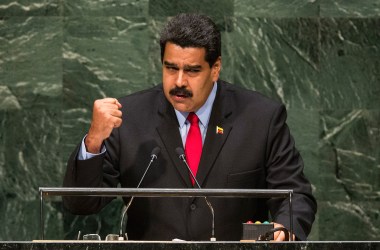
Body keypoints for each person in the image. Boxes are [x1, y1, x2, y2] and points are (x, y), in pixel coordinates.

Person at [63, 13, 317, 241]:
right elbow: (81, 203)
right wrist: (94, 139)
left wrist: (284, 228)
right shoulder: (129, 117)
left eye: (192, 70)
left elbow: (295, 196)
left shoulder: (260, 118)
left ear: (215, 68)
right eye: (170, 68)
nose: (179, 82)